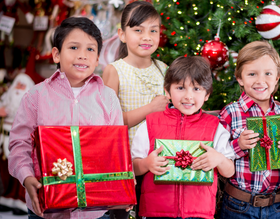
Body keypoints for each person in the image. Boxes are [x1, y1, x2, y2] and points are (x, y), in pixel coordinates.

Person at [7, 17, 123, 219]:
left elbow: (115, 151)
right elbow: (19, 144)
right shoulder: (36, 96)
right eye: (74, 47)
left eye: (90, 49)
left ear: (97, 60)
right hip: (45, 207)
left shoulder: (108, 98)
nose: (82, 56)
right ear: (56, 54)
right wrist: (26, 177)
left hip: (95, 211)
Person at [131, 56, 235, 219]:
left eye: (196, 89)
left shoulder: (215, 127)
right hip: (157, 211)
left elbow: (229, 171)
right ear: (167, 91)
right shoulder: (150, 123)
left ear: (207, 94)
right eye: (180, 88)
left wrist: (219, 160)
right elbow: (134, 167)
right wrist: (146, 163)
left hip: (199, 213)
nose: (188, 96)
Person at [218, 40, 280, 219]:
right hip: (238, 204)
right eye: (252, 74)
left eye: (268, 74)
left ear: (277, 77)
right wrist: (238, 145)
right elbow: (219, 155)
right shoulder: (231, 113)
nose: (260, 81)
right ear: (240, 78)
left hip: (274, 205)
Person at [102, 1, 169, 147]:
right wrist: (150, 108)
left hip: (159, 157)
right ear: (122, 35)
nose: (147, 37)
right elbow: (109, 122)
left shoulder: (163, 69)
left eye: (153, 30)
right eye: (138, 30)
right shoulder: (114, 71)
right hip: (127, 157)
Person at [0, 72, 34, 216]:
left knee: (21, 173)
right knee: (5, 173)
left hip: (20, 144)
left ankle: (21, 201)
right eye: (17, 84)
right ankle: (7, 198)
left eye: (22, 85)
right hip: (3, 141)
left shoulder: (30, 104)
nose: (19, 88)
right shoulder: (5, 100)